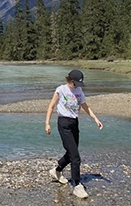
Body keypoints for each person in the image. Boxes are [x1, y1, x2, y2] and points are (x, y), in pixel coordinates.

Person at [45, 69, 103, 199]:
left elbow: (85, 106)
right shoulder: (61, 90)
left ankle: (57, 170)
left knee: (72, 152)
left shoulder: (79, 91)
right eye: (75, 83)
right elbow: (51, 106)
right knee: (75, 157)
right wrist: (47, 123)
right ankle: (77, 185)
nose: (77, 86)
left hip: (74, 123)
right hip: (63, 123)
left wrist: (95, 119)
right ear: (70, 80)